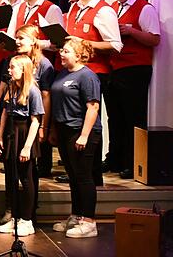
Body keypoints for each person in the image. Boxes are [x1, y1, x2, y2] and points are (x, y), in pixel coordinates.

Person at [0, 24, 55, 224]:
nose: (18, 42)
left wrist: (43, 127)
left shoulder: (43, 65)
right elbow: (4, 89)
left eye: (22, 38)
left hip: (30, 122)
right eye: (17, 38)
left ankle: (29, 214)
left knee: (29, 171)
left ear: (33, 41)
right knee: (10, 169)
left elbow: (45, 97)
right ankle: (11, 210)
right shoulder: (12, 62)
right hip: (13, 122)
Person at [65, 0, 121, 179]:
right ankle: (78, 170)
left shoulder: (103, 11)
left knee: (92, 121)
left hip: (95, 73)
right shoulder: (74, 8)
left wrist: (84, 43)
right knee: (74, 120)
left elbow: (116, 45)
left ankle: (93, 173)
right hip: (72, 72)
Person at [106, 0, 160, 179]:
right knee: (115, 117)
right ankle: (115, 159)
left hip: (135, 69)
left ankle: (132, 162)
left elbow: (154, 39)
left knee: (133, 118)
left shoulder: (144, 8)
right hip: (115, 68)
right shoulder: (113, 8)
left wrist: (131, 31)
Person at [49, 39, 102, 238]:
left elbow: (93, 107)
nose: (62, 54)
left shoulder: (87, 76)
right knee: (73, 175)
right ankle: (76, 215)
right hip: (64, 130)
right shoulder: (62, 74)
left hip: (81, 131)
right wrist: (54, 129)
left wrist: (84, 135)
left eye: (67, 51)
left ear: (79, 55)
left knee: (84, 176)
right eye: (62, 50)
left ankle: (89, 221)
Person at [0, 55, 43, 237]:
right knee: (11, 176)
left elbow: (35, 121)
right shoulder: (12, 88)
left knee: (26, 177)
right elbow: (5, 114)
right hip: (11, 133)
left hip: (25, 134)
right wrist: (0, 137)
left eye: (12, 67)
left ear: (23, 69)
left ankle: (27, 219)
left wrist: (26, 147)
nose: (9, 70)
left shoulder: (33, 91)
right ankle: (14, 217)